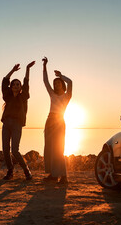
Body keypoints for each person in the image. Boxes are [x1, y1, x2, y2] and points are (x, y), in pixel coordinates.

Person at [1, 61, 35, 180]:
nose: (16, 86)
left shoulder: (23, 97)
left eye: (18, 84)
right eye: (14, 84)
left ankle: (26, 170)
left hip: (17, 124)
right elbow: (5, 81)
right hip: (6, 124)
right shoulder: (7, 96)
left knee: (15, 150)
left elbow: (26, 83)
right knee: (5, 149)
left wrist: (27, 69)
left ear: (20, 87)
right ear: (11, 87)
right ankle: (10, 171)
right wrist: (12, 70)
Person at [42, 56, 72, 184]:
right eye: (55, 83)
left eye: (58, 83)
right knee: (49, 148)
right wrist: (44, 66)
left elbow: (70, 82)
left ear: (62, 84)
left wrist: (61, 76)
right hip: (50, 121)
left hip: (59, 122)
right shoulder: (52, 94)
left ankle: (64, 176)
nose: (56, 84)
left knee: (59, 149)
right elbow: (45, 81)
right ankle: (53, 175)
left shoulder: (66, 96)